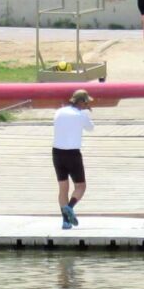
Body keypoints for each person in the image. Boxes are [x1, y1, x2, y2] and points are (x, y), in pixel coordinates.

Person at [52, 89, 94, 230]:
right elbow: (90, 128)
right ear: (81, 102)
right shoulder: (81, 115)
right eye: (86, 103)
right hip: (72, 154)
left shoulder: (59, 112)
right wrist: (86, 113)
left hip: (57, 152)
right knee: (81, 186)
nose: (87, 105)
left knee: (63, 188)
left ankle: (66, 222)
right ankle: (70, 207)